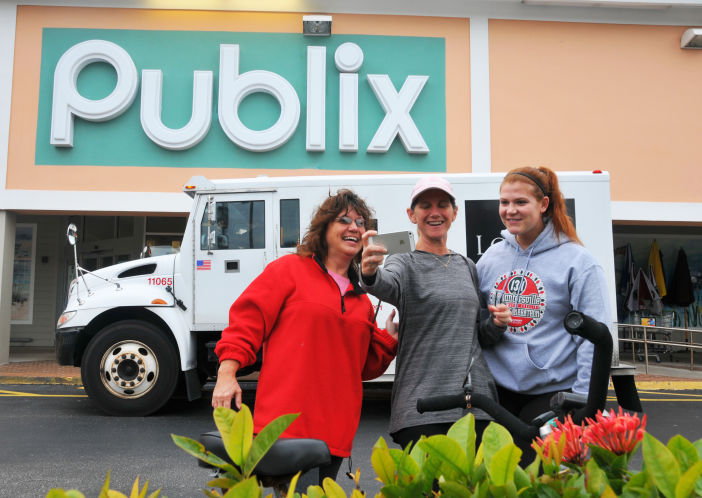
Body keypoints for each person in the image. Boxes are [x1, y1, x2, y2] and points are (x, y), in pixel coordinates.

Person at [212, 189, 398, 485]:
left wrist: (388, 340)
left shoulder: (362, 300)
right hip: (283, 429)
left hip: (334, 434)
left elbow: (362, 368)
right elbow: (247, 321)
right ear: (323, 229)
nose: (354, 227)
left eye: (361, 222)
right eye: (344, 220)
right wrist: (227, 372)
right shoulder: (289, 270)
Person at [360, 176, 511, 450]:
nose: (434, 212)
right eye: (425, 205)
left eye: (442, 204)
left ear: (454, 213)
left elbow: (478, 336)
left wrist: (497, 324)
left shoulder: (467, 266)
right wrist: (369, 273)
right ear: (412, 215)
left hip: (475, 407)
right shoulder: (403, 262)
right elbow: (386, 284)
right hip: (423, 409)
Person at [476, 166, 612, 462]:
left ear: (544, 205)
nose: (510, 210)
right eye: (504, 202)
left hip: (553, 394)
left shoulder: (578, 261)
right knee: (498, 481)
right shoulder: (491, 258)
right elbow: (474, 322)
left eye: (520, 202)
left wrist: (583, 403)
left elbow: (594, 340)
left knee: (543, 480)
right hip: (499, 394)